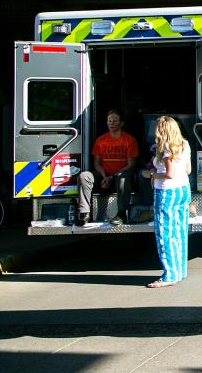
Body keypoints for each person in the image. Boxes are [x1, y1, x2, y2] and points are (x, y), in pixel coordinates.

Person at [145, 115, 191, 288]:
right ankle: (180, 271)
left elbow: (169, 173)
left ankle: (169, 275)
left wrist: (152, 174)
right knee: (179, 231)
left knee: (165, 233)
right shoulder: (184, 144)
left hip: (167, 191)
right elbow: (188, 169)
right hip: (183, 189)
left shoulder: (165, 147)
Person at [76, 109, 143, 226]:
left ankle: (122, 214)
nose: (111, 123)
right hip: (104, 175)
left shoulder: (129, 140)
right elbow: (97, 164)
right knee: (84, 176)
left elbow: (131, 165)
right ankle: (84, 214)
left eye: (115, 121)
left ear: (122, 123)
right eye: (109, 121)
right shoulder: (100, 140)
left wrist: (112, 177)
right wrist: (104, 177)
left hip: (121, 176)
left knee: (123, 177)